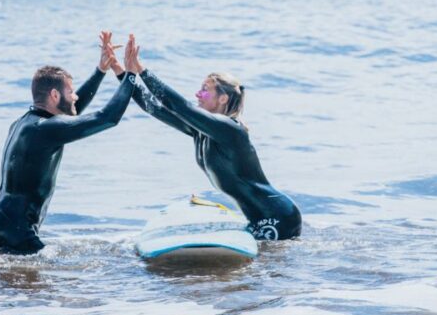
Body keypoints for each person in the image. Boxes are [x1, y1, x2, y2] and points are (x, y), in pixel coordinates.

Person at [111, 36, 301, 241]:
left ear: (223, 98)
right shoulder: (200, 131)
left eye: (204, 89)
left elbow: (179, 106)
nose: (197, 94)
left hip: (278, 216)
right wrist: (121, 72)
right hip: (257, 218)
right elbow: (153, 107)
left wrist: (142, 70)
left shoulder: (231, 130)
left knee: (262, 270)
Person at [0, 32, 140, 255]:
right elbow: (107, 118)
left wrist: (101, 71)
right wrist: (131, 74)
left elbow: (72, 115)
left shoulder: (25, 124)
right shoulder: (44, 129)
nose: (75, 96)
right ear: (55, 95)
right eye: (70, 92)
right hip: (17, 234)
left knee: (21, 287)